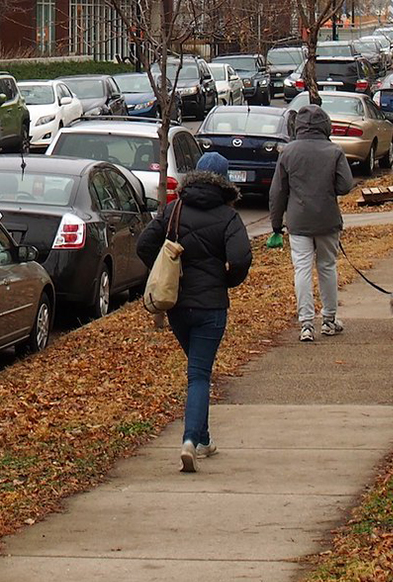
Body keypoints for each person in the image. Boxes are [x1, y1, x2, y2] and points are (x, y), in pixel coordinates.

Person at [139, 152, 251, 473]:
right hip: (211, 307)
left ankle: (203, 438)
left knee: (197, 370)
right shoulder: (228, 217)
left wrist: (164, 272)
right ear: (224, 182)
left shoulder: (174, 210)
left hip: (177, 306)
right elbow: (241, 258)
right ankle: (189, 440)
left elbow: (144, 245)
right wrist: (227, 281)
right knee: (199, 374)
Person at [267, 105, 356, 343]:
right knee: (327, 267)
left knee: (302, 270)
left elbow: (277, 193)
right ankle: (329, 319)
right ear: (324, 125)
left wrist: (276, 225)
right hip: (327, 219)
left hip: (298, 220)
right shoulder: (334, 151)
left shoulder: (288, 152)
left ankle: (306, 323)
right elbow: (346, 185)